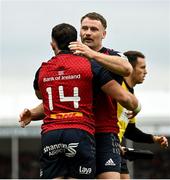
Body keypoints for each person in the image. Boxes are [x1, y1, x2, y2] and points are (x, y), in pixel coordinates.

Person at [19, 12, 141, 179]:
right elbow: (62, 98)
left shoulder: (111, 55)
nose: (88, 32)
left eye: (94, 29)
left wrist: (92, 55)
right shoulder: (71, 61)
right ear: (79, 31)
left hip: (104, 131)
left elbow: (127, 69)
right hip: (80, 130)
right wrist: (33, 113)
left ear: (103, 34)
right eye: (84, 28)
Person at [117, 50, 169, 179]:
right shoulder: (116, 88)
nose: (146, 72)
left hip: (115, 148)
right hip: (105, 146)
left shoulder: (131, 95)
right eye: (142, 67)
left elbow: (130, 131)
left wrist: (154, 138)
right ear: (130, 68)